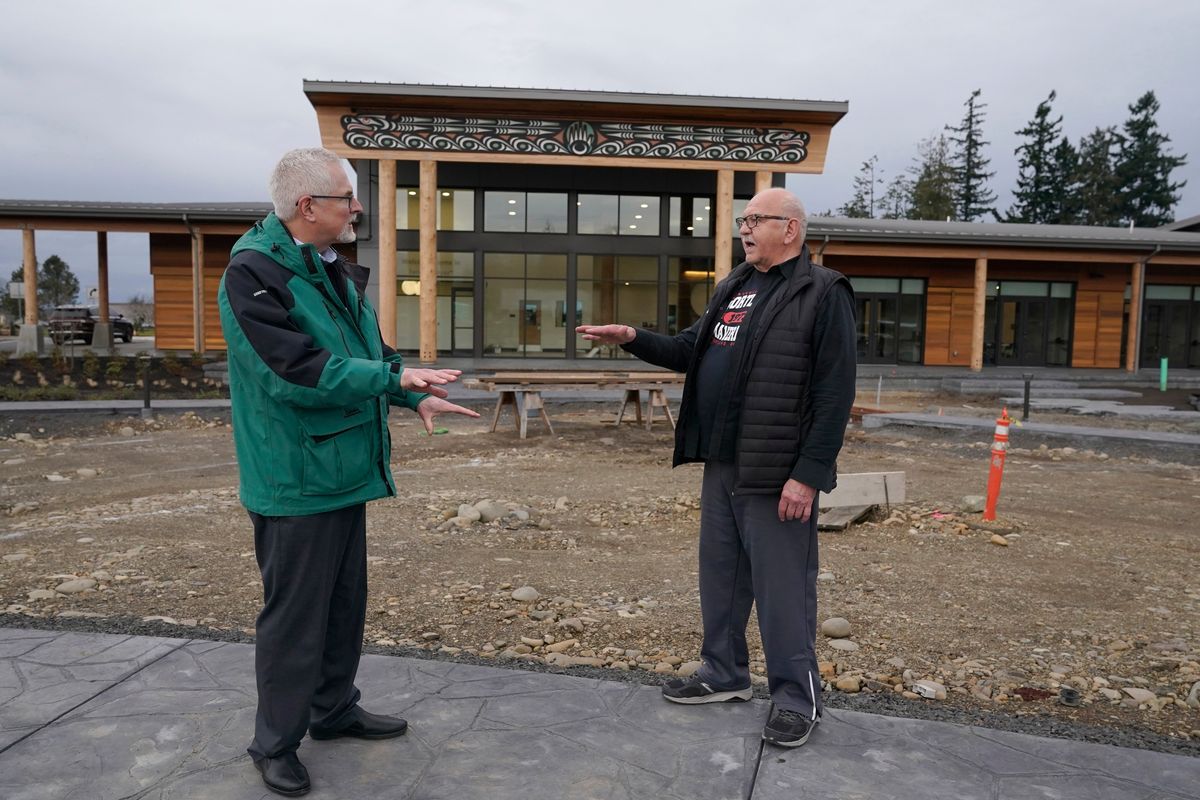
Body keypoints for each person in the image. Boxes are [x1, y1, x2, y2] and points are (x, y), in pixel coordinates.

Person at [218, 147, 479, 796]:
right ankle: (274, 743)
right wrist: (393, 377)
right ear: (307, 207)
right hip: (295, 479)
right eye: (346, 197)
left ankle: (333, 710)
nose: (357, 208)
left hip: (340, 470)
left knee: (342, 606)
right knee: (294, 619)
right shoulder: (254, 276)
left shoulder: (328, 267)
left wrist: (414, 395)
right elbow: (298, 371)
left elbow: (370, 351)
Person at [577, 187, 855, 748]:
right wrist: (632, 338)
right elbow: (690, 349)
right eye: (743, 220)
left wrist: (808, 473)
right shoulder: (736, 286)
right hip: (725, 461)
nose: (745, 229)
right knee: (721, 578)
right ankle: (725, 674)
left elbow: (834, 393)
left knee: (782, 590)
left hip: (778, 470)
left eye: (757, 220)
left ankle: (796, 699)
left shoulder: (822, 291)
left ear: (791, 230)